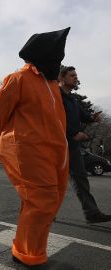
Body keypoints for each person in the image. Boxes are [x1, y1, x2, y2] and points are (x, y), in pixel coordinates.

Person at [0, 28, 70, 267]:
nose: (60, 62)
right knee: (42, 200)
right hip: (25, 148)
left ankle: (26, 248)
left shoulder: (52, 84)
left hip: (55, 149)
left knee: (47, 200)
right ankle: (29, 255)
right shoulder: (18, 79)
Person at [59, 66, 111, 223]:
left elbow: (83, 116)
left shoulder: (73, 99)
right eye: (72, 75)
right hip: (56, 146)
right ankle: (43, 213)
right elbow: (53, 120)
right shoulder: (55, 96)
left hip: (73, 147)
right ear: (61, 78)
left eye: (76, 75)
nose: (75, 78)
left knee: (81, 178)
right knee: (51, 182)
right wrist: (74, 134)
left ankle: (91, 213)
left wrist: (92, 118)